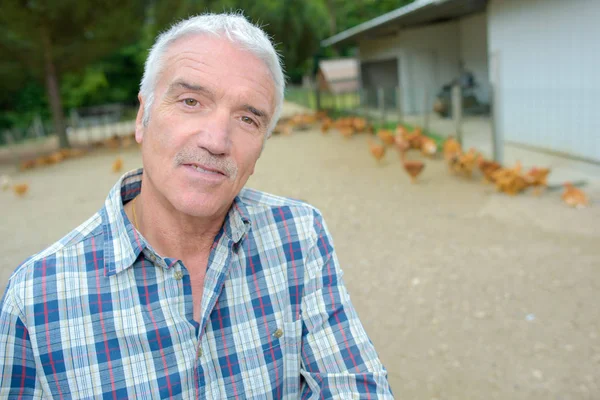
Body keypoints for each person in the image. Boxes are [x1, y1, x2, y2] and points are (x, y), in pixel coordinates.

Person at [0, 13, 393, 399]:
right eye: (191, 101)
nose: (217, 139)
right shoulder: (36, 299)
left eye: (247, 119)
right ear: (143, 117)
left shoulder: (299, 234)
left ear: (260, 148)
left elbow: (355, 386)